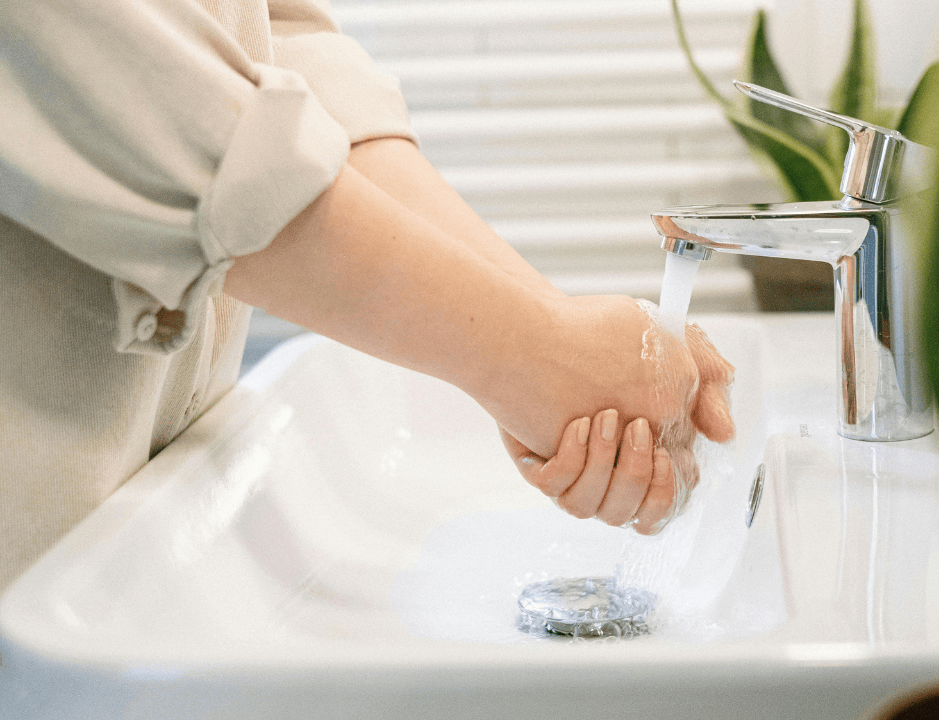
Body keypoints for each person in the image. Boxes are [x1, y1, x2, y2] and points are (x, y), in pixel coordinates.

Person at [0, 0, 735, 593]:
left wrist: (558, 338)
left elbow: (276, 47)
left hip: (119, 528)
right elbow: (148, 100)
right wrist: (538, 353)